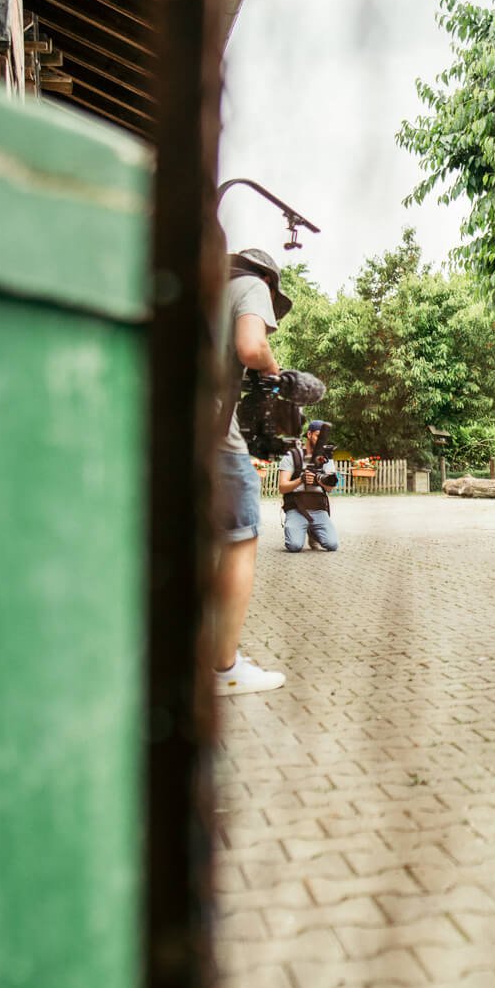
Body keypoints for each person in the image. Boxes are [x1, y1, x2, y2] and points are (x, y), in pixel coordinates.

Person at [212, 247, 291, 694]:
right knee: (242, 534)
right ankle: (224, 668)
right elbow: (251, 345)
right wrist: (275, 372)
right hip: (213, 428)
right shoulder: (252, 284)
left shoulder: (202, 290)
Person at [279, 420, 340, 553]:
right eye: (318, 435)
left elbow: (330, 488)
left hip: (318, 508)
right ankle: (297, 527)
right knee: (294, 546)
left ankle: (313, 532)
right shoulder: (292, 456)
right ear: (309, 434)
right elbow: (282, 487)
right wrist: (301, 480)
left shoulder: (326, 458)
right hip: (296, 507)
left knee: (332, 545)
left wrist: (318, 480)